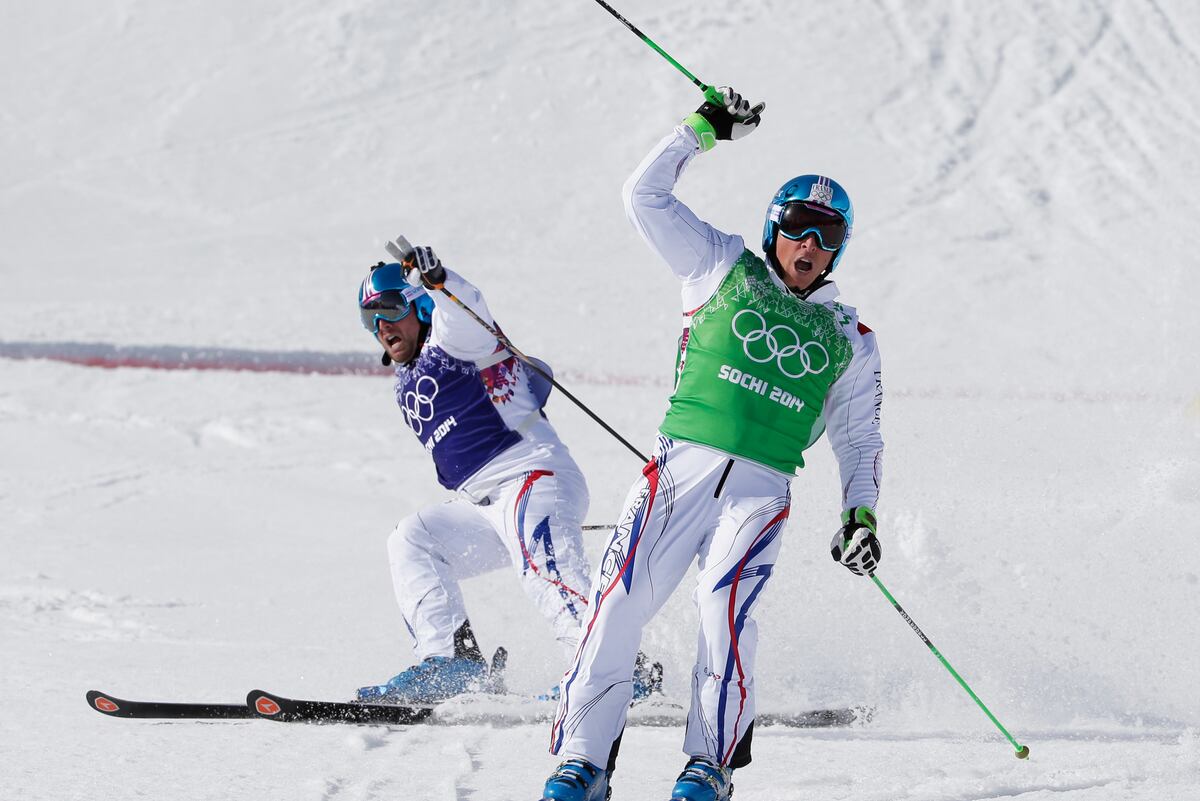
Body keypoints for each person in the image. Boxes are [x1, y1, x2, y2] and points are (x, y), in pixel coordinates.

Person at [541, 89, 884, 801]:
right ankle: (583, 760)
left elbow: (859, 436)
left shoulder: (851, 336)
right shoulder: (721, 264)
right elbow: (642, 196)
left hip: (760, 490)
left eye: (827, 236)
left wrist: (861, 513)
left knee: (723, 612)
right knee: (616, 605)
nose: (810, 247)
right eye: (797, 228)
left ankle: (708, 765)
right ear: (773, 228)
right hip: (676, 471)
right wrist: (702, 131)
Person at [354, 243, 596, 704]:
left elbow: (468, 309)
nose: (382, 327)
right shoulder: (407, 380)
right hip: (486, 507)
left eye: (389, 309)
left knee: (542, 572)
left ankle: (611, 672)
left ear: (420, 306)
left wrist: (440, 281)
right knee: (413, 539)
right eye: (371, 320)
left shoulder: (457, 339)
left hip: (533, 479)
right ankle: (451, 665)